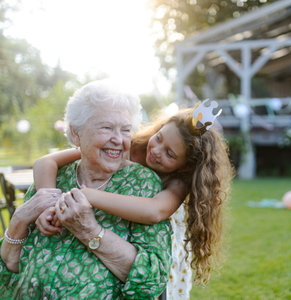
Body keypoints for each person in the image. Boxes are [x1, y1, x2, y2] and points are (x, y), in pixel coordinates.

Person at [32, 100, 233, 298]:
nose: (155, 151)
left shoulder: (179, 181)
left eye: (169, 154)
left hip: (156, 239)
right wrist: (47, 205)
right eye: (159, 138)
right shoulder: (126, 145)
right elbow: (45, 162)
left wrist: (90, 195)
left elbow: (155, 211)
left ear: (186, 166)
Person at [0, 80, 172, 299]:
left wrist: (90, 231)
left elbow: (153, 280)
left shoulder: (143, 184)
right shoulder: (54, 176)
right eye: (106, 128)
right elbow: (8, 264)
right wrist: (18, 222)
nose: (118, 139)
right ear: (75, 133)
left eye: (126, 130)